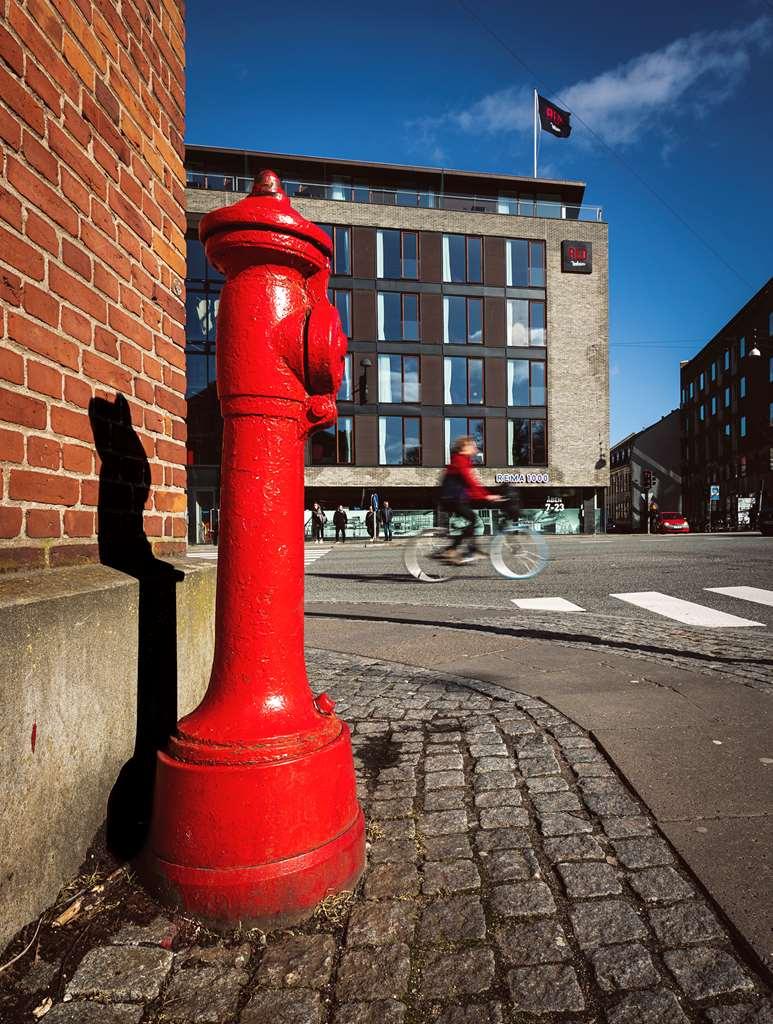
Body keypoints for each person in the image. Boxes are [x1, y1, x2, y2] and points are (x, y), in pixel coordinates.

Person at [439, 436, 502, 563]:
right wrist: (486, 496)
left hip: (455, 498)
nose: (475, 448)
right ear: (464, 447)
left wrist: (483, 496)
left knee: (471, 521)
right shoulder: (460, 460)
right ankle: (453, 550)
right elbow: (471, 482)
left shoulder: (463, 460)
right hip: (452, 499)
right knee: (473, 520)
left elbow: (471, 485)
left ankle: (471, 550)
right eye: (472, 446)